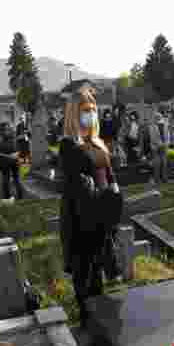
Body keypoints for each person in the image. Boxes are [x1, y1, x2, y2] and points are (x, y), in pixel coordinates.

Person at [59, 84, 123, 318]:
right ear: (75, 114)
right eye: (86, 110)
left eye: (93, 110)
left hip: (102, 218)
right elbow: (80, 188)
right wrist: (108, 198)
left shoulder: (98, 143)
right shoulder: (69, 146)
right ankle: (89, 331)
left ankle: (101, 329)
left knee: (99, 282)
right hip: (82, 222)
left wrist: (114, 195)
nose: (91, 114)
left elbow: (109, 175)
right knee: (86, 283)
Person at [0, 122, 25, 201]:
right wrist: (14, 155)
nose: (7, 131)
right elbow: (19, 149)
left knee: (9, 180)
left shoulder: (1, 138)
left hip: (8, 162)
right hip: (11, 160)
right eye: (6, 129)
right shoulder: (13, 137)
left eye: (7, 129)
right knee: (13, 179)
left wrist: (14, 154)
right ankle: (15, 196)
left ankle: (10, 196)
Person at [148, 110, 171, 184]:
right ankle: (156, 179)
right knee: (157, 163)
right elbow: (153, 137)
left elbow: (167, 135)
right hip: (155, 147)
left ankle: (164, 178)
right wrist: (159, 144)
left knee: (164, 163)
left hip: (164, 146)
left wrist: (166, 144)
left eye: (159, 117)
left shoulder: (165, 125)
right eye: (157, 117)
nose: (158, 119)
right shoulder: (151, 126)